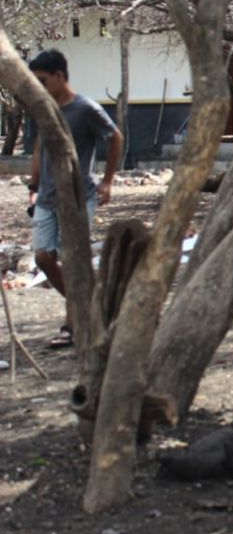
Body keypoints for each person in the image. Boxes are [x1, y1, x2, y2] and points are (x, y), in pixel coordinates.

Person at [27, 49, 124, 349]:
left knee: (72, 260)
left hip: (79, 195)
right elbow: (40, 148)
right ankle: (88, 307)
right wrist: (33, 186)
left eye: (43, 80)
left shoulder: (86, 109)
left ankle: (71, 325)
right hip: (46, 197)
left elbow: (115, 138)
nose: (40, 86)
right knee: (43, 257)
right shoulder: (45, 109)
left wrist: (108, 182)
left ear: (59, 76)